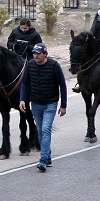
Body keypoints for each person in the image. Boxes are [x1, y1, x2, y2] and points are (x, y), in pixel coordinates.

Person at [19, 43, 67, 172]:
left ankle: (43, 159)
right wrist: (22, 99)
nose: (36, 56)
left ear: (45, 54)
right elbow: (25, 83)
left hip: (50, 103)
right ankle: (48, 156)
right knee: (40, 131)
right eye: (34, 53)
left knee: (46, 130)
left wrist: (63, 105)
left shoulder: (54, 65)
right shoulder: (30, 65)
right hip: (36, 103)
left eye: (39, 53)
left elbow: (62, 85)